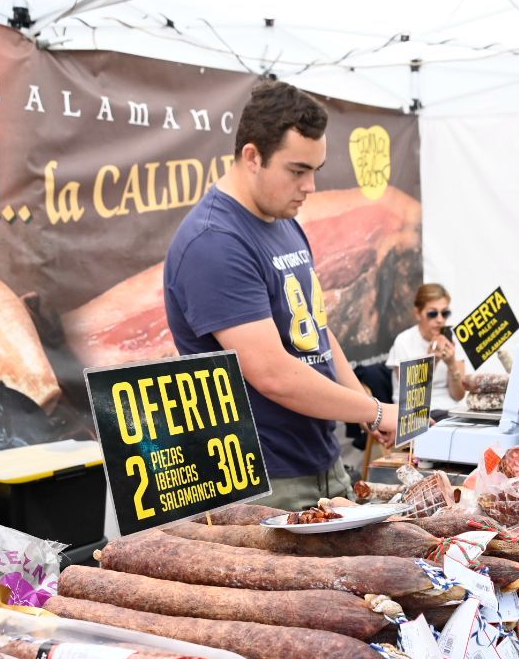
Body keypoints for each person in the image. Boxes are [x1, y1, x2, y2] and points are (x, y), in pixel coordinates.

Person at [164, 80, 397, 508]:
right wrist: (374, 412)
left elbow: (318, 334)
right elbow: (272, 373)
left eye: (316, 170)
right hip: (265, 483)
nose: (309, 186)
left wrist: (364, 402)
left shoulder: (283, 221)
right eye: (297, 170)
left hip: (321, 462)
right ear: (252, 157)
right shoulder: (214, 241)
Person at [385, 284, 468, 414]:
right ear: (418, 314)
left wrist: (452, 365)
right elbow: (412, 397)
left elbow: (458, 395)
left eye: (445, 313)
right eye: (432, 314)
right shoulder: (403, 342)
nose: (440, 320)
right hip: (415, 413)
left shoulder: (452, 339)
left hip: (450, 412)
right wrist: (431, 362)